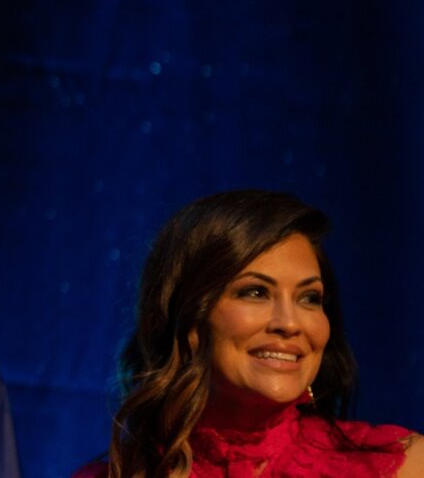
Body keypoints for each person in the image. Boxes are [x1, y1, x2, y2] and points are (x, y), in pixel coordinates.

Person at [75, 190, 424, 477]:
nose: (290, 323)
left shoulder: (406, 466)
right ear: (190, 317)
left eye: (309, 298)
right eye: (255, 292)